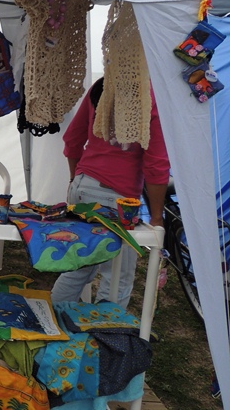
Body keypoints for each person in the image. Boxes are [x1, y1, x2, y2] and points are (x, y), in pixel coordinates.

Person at [51, 78, 170, 309]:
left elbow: (73, 140)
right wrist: (156, 217)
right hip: (116, 198)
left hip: (83, 186)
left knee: (79, 266)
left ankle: (54, 322)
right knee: (117, 277)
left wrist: (75, 180)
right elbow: (156, 164)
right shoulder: (151, 96)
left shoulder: (102, 85)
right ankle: (105, 331)